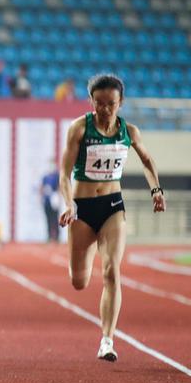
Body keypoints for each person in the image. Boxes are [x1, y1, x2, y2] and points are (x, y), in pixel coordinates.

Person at [57, 73, 165, 362]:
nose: (105, 109)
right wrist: (68, 205)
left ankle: (107, 340)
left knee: (111, 271)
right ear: (91, 101)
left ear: (121, 102)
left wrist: (156, 189)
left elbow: (147, 160)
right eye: (99, 103)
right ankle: (89, 248)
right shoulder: (79, 129)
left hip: (112, 206)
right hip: (81, 208)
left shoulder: (129, 131)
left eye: (111, 104)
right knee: (79, 281)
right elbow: (64, 174)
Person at [40, 163, 60, 243]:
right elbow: (41, 187)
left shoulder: (56, 176)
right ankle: (49, 236)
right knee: (48, 219)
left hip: (54, 200)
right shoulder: (45, 177)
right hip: (47, 201)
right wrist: (42, 197)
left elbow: (59, 186)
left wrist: (57, 197)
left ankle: (57, 237)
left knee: (55, 218)